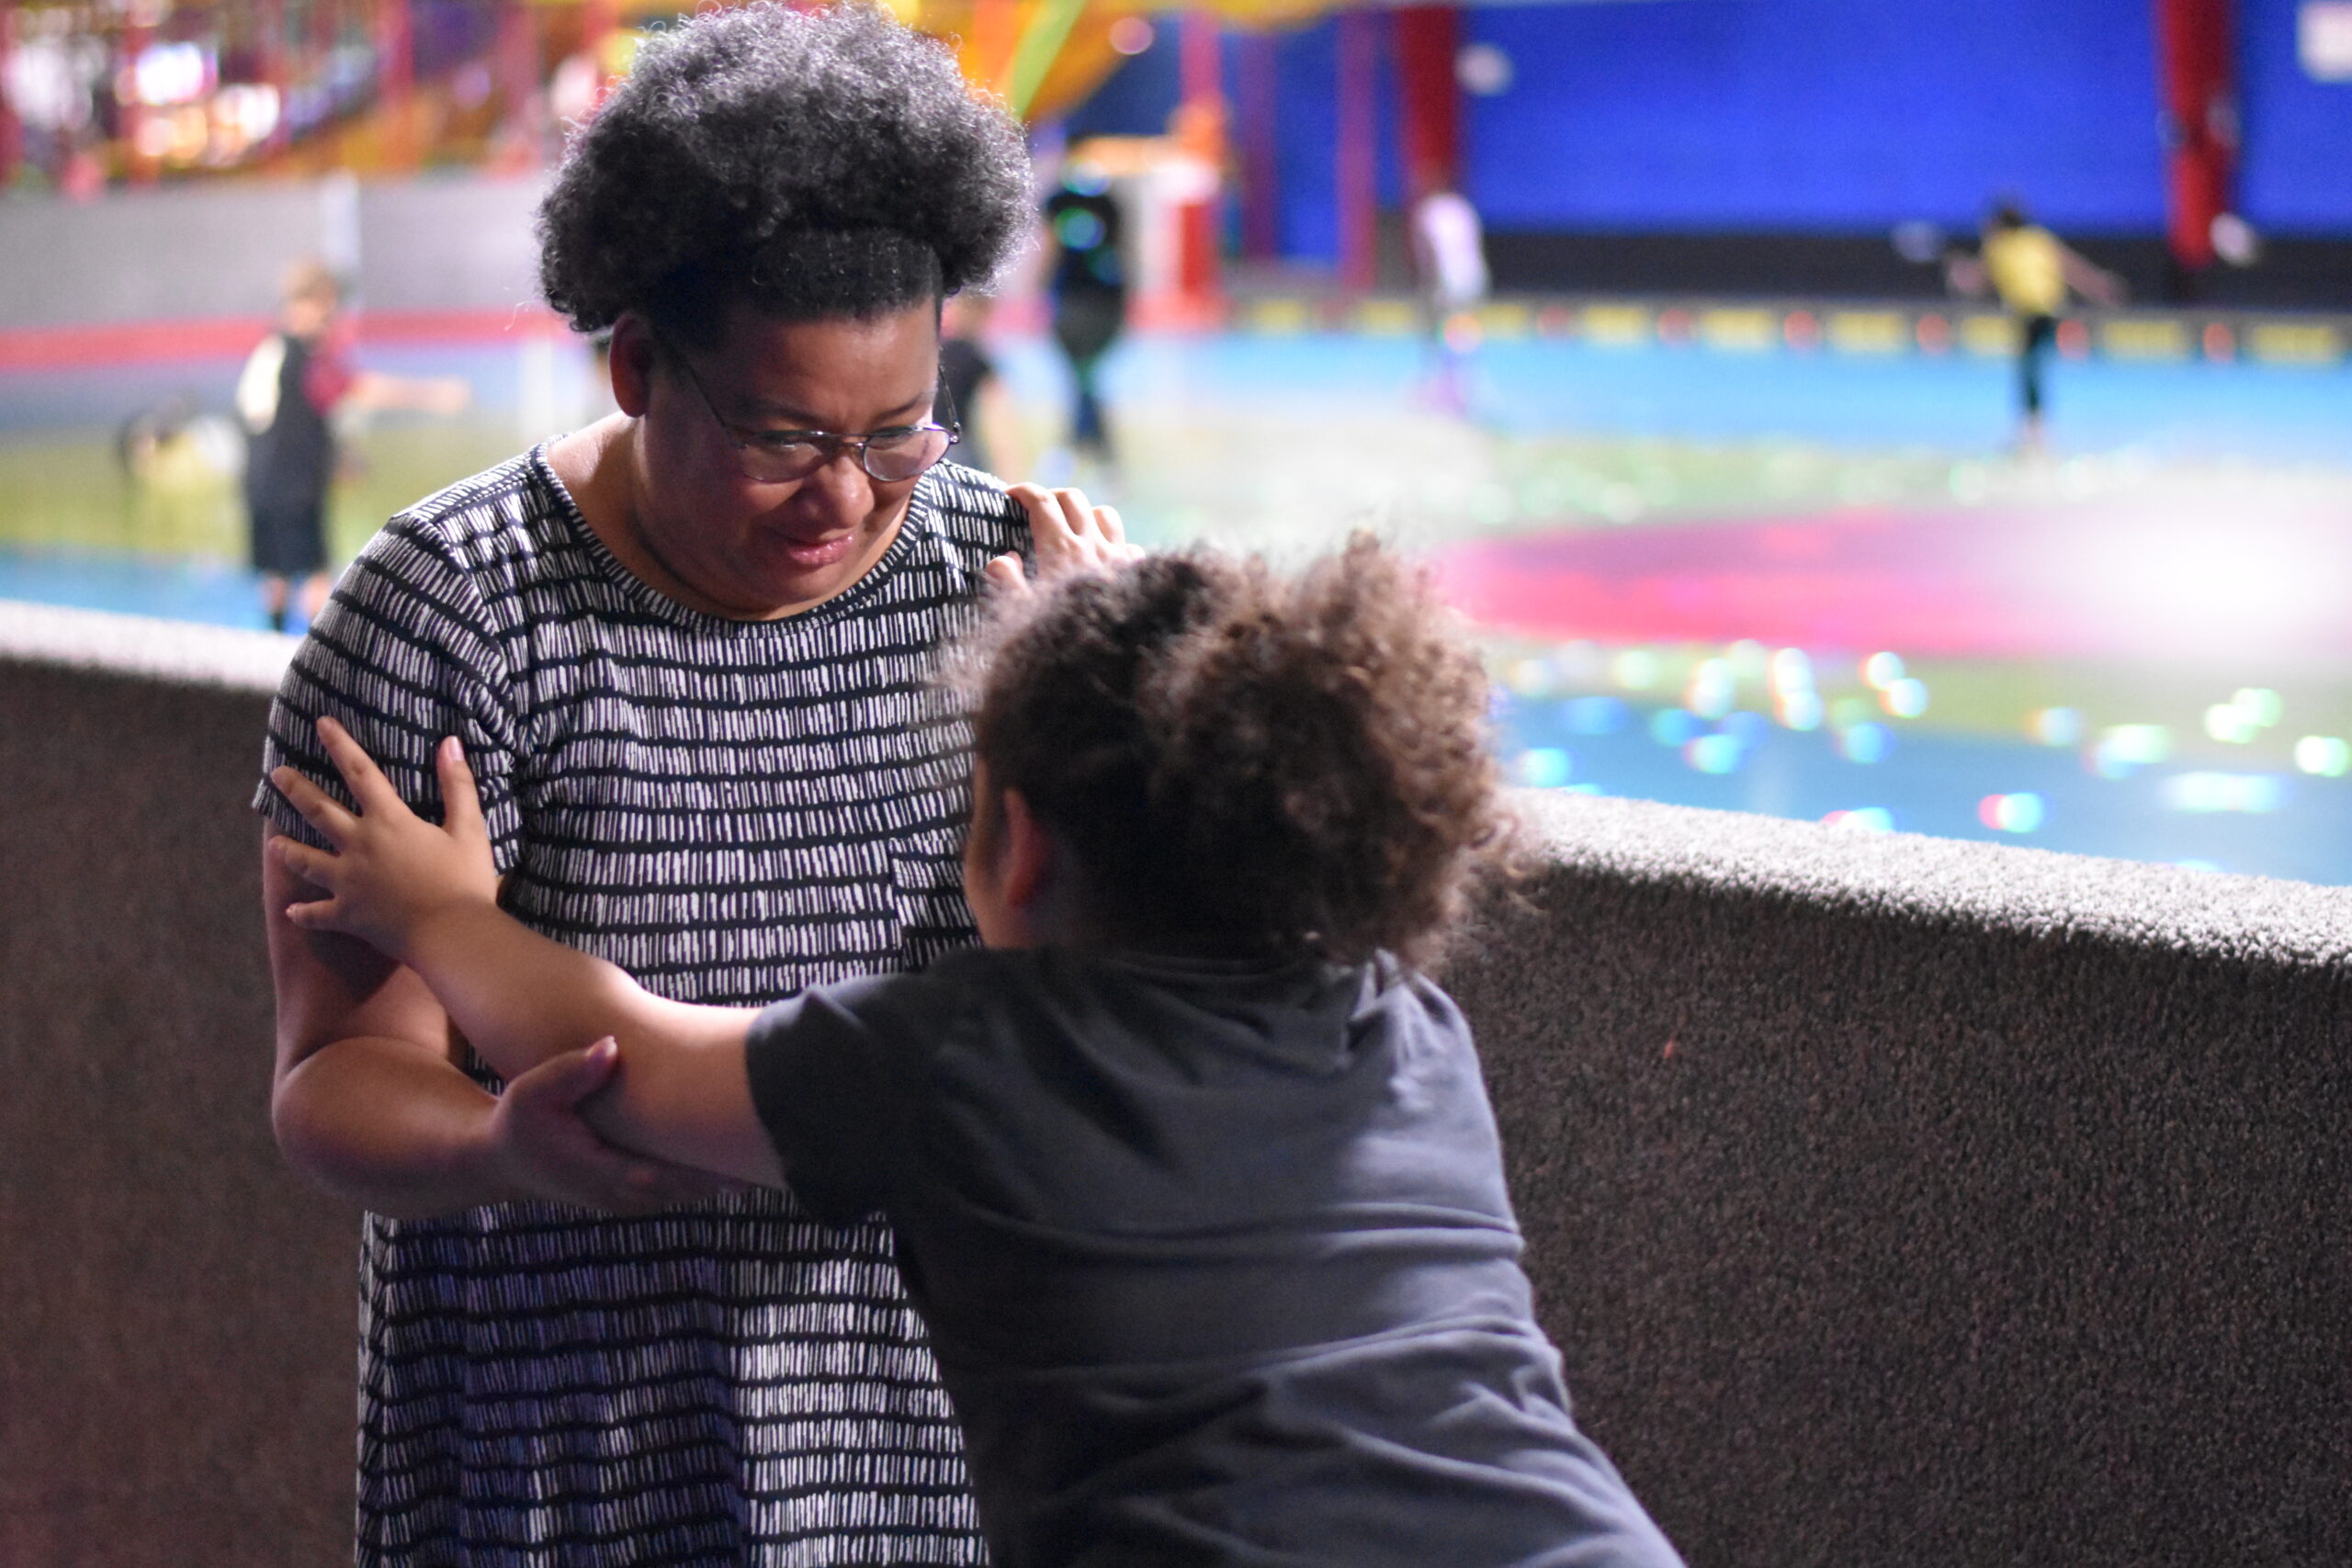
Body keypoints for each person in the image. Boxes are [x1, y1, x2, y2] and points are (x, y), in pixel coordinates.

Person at [266, 536, 1687, 1568]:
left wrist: (441, 912)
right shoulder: (1407, 1022)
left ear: (1015, 842)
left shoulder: (967, 1058)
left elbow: (622, 1056)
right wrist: (1083, 640)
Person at [254, 6, 1121, 1562]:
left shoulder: (1007, 586)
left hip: (933, 1448)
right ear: (640, 361)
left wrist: (1112, 710)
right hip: (564, 1446)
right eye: (784, 433)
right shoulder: (451, 611)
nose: (845, 497)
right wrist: (490, 1147)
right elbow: (328, 1077)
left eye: (898, 432)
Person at [235, 258, 467, 633]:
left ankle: (271, 651)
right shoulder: (308, 357)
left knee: (276, 572)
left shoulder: (270, 348)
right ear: (317, 302)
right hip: (295, 488)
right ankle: (314, 665)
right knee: (315, 572)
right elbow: (359, 389)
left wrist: (336, 455)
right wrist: (432, 394)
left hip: (260, 484)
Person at [1944, 201, 2124, 451]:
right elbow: (2071, 269)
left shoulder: (1998, 245)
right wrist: (2099, 287)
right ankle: (2036, 430)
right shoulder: (2039, 239)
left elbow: (1975, 282)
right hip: (2051, 308)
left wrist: (1958, 274)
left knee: (2028, 368)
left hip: (2028, 311)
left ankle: (2032, 433)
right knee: (2034, 367)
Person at [1043, 154, 1126, 467]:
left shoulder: (1060, 201)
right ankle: (1093, 446)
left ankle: (1082, 445)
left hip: (1076, 302)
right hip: (1103, 302)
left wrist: (1038, 286)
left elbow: (1049, 248)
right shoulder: (1108, 202)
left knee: (1082, 377)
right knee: (1085, 377)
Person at [1410, 186, 1489, 414]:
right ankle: (1463, 384)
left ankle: (1444, 386)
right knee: (1463, 328)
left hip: (1446, 280)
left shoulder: (1429, 212)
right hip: (1472, 275)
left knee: (1439, 331)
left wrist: (1433, 284)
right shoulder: (1463, 209)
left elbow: (1429, 252)